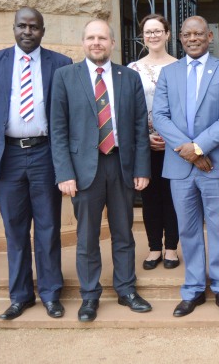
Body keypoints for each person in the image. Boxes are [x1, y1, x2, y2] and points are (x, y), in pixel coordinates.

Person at [0, 7, 72, 320]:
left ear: (43, 30)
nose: (27, 32)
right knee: (14, 231)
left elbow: (66, 119)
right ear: (13, 28)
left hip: (45, 155)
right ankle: (20, 296)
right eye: (22, 26)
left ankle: (51, 293)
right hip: (8, 157)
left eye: (34, 27)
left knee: (48, 227)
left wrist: (66, 164)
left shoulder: (61, 64)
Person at [51, 19, 152, 322]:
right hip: (83, 171)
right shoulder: (65, 77)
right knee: (87, 237)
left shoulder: (129, 77)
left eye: (103, 38)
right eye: (91, 38)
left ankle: (126, 290)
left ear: (112, 43)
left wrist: (142, 168)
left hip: (120, 164)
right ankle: (90, 296)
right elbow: (58, 130)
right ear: (83, 42)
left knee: (124, 233)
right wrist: (64, 173)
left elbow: (139, 127)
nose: (97, 43)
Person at [153, 16, 219, 318]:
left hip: (215, 164)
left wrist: (200, 147)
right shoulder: (168, 73)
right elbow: (160, 116)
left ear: (209, 36)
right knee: (187, 230)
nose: (193, 39)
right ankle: (192, 289)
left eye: (199, 34)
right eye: (187, 34)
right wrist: (189, 152)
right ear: (179, 37)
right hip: (180, 166)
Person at [127, 14, 180, 270]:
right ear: (143, 36)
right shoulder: (132, 69)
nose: (153, 36)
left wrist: (172, 139)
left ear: (168, 34)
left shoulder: (181, 66)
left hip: (175, 145)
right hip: (144, 144)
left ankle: (171, 248)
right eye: (148, 32)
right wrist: (143, 138)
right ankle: (153, 248)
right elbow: (128, 110)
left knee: (172, 197)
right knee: (149, 197)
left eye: (158, 31)